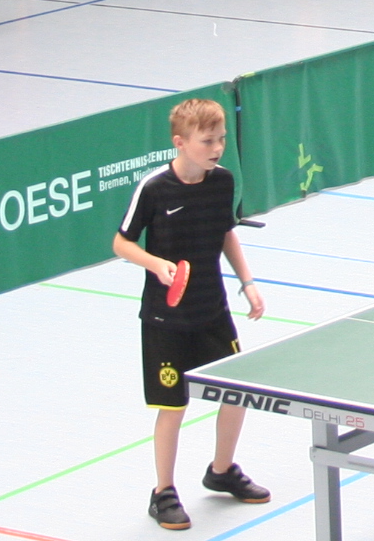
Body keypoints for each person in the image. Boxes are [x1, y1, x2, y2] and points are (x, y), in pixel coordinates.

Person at [114, 96, 270, 531]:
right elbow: (121, 242)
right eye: (207, 141)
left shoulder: (222, 181)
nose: (217, 148)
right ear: (180, 142)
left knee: (236, 392)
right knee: (173, 406)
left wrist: (247, 281)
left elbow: (226, 233)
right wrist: (155, 264)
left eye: (221, 139)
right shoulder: (154, 188)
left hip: (212, 309)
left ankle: (221, 470)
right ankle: (163, 492)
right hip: (166, 320)